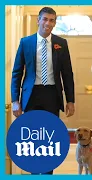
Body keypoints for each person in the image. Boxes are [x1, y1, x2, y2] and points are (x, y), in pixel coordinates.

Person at [11, 7, 75, 175]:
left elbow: (67, 74)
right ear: (38, 20)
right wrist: (15, 100)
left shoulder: (61, 43)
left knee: (50, 139)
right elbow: (17, 73)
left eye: (52, 20)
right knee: (33, 138)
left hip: (52, 95)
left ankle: (48, 173)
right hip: (31, 96)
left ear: (55, 23)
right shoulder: (26, 42)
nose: (48, 23)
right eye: (45, 19)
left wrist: (70, 100)